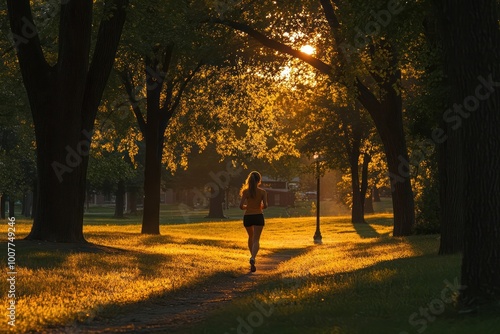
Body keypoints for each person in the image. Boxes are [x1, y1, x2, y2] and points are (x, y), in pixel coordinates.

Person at [239, 171, 268, 272]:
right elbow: (266, 205)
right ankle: (253, 258)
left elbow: (241, 206)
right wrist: (260, 206)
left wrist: (248, 206)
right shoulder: (262, 192)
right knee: (256, 239)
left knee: (250, 237)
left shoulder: (245, 192)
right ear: (259, 180)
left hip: (248, 217)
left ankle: (252, 258)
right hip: (258, 216)